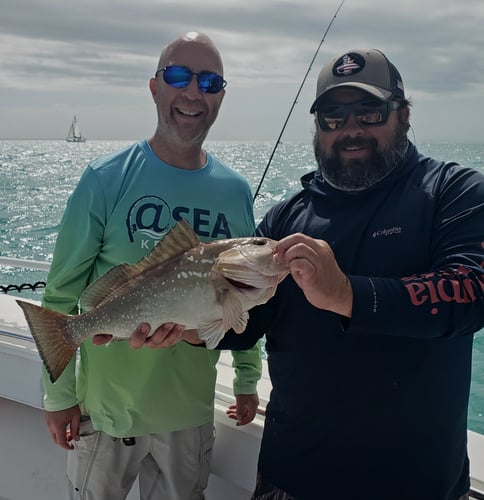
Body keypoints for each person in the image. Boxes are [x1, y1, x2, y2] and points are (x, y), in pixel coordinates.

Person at [137, 48, 484, 499]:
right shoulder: (285, 220)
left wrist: (346, 294)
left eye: (370, 112)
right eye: (333, 118)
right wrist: (185, 326)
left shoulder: (453, 193)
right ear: (318, 128)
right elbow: (248, 325)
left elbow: (472, 292)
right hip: (290, 479)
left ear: (404, 113)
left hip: (417, 485)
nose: (351, 130)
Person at [41, 31, 262, 500]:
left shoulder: (236, 190)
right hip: (106, 414)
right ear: (154, 87)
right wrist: (59, 396)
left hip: (190, 414)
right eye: (178, 76)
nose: (193, 92)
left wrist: (246, 377)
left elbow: (243, 292)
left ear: (222, 95)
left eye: (210, 81)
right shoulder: (104, 178)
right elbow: (61, 296)